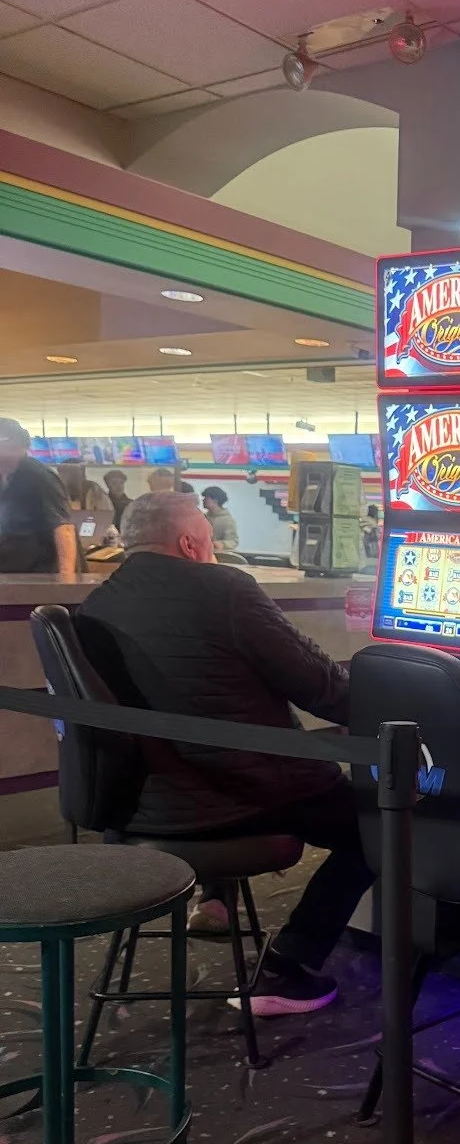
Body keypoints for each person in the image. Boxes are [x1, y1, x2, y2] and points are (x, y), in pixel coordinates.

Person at [75, 492, 374, 1016]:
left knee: (214, 740)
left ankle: (215, 897)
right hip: (240, 796)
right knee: (376, 830)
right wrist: (398, 698)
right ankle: (288, 966)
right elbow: (321, 688)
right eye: (209, 541)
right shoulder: (225, 588)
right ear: (190, 544)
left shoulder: (96, 605)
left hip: (144, 805)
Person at [0, 418, 76, 577]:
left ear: (22, 449)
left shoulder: (39, 477)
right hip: (8, 570)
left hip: (39, 572)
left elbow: (63, 528)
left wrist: (67, 579)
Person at [201, 485, 239, 553]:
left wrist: (222, 544)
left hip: (219, 555)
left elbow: (233, 541)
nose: (203, 500)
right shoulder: (203, 517)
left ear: (215, 500)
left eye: (206, 498)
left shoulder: (227, 520)